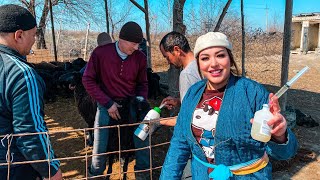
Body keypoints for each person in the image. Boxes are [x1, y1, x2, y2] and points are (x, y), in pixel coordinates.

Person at [160, 32, 298, 179]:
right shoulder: (192, 94)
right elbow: (179, 145)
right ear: (199, 64)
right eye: (205, 58)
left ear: (230, 59)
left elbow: (285, 152)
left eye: (220, 55)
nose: (213, 63)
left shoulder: (252, 93)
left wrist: (280, 136)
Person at [0, 4, 62, 180]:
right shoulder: (22, 74)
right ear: (18, 35)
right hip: (12, 167)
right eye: (33, 35)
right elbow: (30, 133)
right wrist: (52, 170)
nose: (35, 40)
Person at [82, 21, 150, 179]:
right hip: (106, 103)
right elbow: (88, 80)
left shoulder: (139, 57)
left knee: (142, 138)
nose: (136, 48)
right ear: (121, 40)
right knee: (99, 143)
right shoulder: (101, 53)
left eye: (138, 44)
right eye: (133, 44)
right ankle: (96, 175)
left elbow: (142, 83)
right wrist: (107, 103)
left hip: (131, 102)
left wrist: (140, 102)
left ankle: (143, 175)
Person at [159, 31, 201, 127]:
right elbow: (199, 101)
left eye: (167, 57)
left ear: (177, 50)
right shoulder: (202, 65)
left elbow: (187, 117)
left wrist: (158, 121)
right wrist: (178, 101)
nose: (168, 62)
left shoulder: (187, 74)